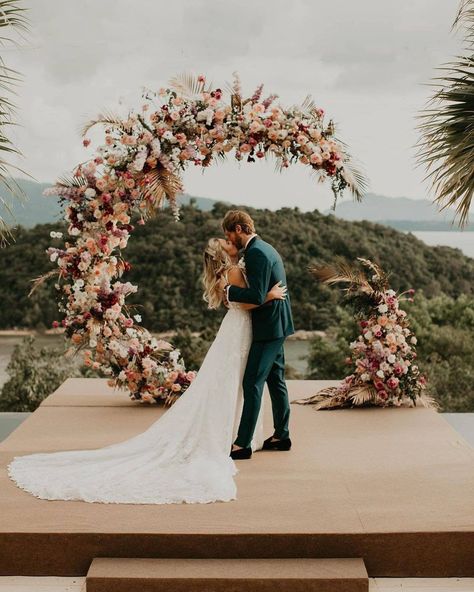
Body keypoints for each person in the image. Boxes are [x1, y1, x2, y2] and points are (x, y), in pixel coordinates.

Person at [6, 235, 286, 504]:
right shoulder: (235, 271)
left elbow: (240, 297)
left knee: (234, 381)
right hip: (243, 330)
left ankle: (247, 435)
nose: (230, 243)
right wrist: (271, 295)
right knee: (242, 382)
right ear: (223, 254)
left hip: (239, 332)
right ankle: (244, 439)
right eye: (225, 242)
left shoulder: (232, 271)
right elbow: (251, 300)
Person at [221, 210, 295, 460]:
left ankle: (242, 444)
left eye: (229, 234)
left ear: (240, 229)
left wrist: (228, 290)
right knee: (276, 380)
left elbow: (255, 296)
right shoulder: (266, 248)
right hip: (277, 325)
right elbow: (265, 292)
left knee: (252, 382)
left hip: (268, 328)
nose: (229, 239)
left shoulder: (256, 254)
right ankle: (281, 436)